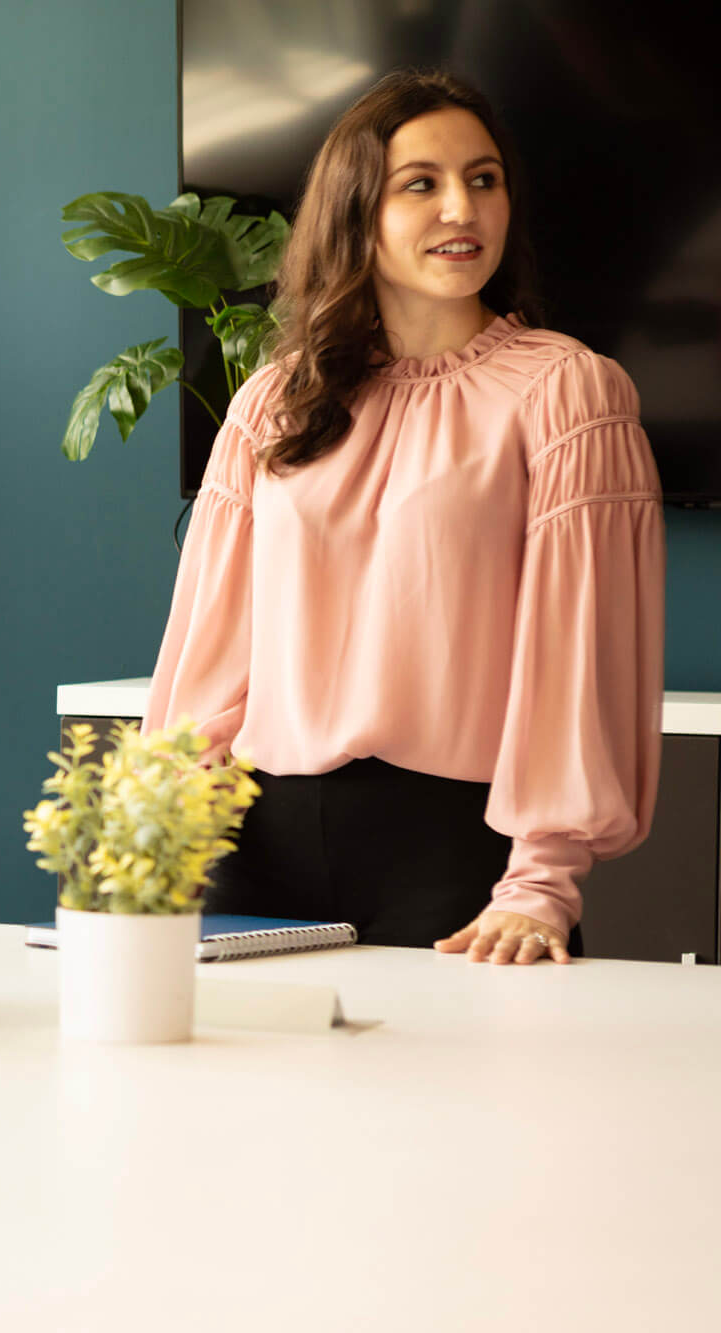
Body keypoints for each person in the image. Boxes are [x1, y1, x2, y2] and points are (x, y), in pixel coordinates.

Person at [146, 70, 663, 965]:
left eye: (484, 178)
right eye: (420, 183)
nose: (462, 208)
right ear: (357, 210)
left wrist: (541, 880)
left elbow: (579, 654)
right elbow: (213, 646)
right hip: (252, 844)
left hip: (462, 855)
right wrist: (169, 821)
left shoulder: (568, 390)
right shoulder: (275, 399)